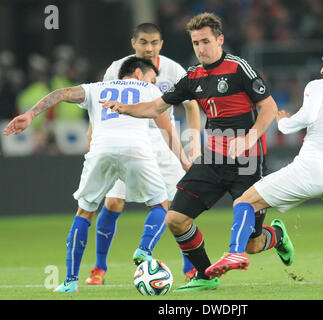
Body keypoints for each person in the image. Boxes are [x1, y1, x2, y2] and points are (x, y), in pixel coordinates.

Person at [101, 12, 294, 292]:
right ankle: (204, 275)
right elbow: (156, 107)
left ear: (220, 40)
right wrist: (124, 108)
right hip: (213, 158)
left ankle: (275, 235)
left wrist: (251, 137)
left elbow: (269, 107)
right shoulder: (192, 76)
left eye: (206, 41)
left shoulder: (239, 67)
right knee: (175, 219)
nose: (201, 48)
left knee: (253, 244)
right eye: (195, 43)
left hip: (246, 161)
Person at [205, 42, 323, 287]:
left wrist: (283, 122)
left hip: (310, 168)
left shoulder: (319, 86)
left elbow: (307, 117)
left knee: (244, 201)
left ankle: (235, 252)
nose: (322, 69)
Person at [3, 56, 191, 293]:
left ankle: (71, 281)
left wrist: (30, 115)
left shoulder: (96, 88)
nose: (154, 81)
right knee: (160, 205)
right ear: (137, 73)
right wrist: (184, 161)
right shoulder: (149, 90)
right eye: (152, 77)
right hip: (137, 150)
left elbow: (60, 93)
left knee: (85, 212)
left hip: (102, 151)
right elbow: (166, 128)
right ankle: (144, 249)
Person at [85, 23, 201, 286]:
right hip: (125, 135)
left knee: (179, 205)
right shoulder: (117, 68)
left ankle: (189, 267)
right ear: (134, 44)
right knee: (113, 203)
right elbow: (99, 101)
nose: (149, 48)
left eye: (154, 43)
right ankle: (99, 268)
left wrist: (194, 143)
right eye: (144, 42)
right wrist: (93, 133)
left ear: (161, 44)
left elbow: (192, 106)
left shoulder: (173, 69)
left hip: (163, 138)